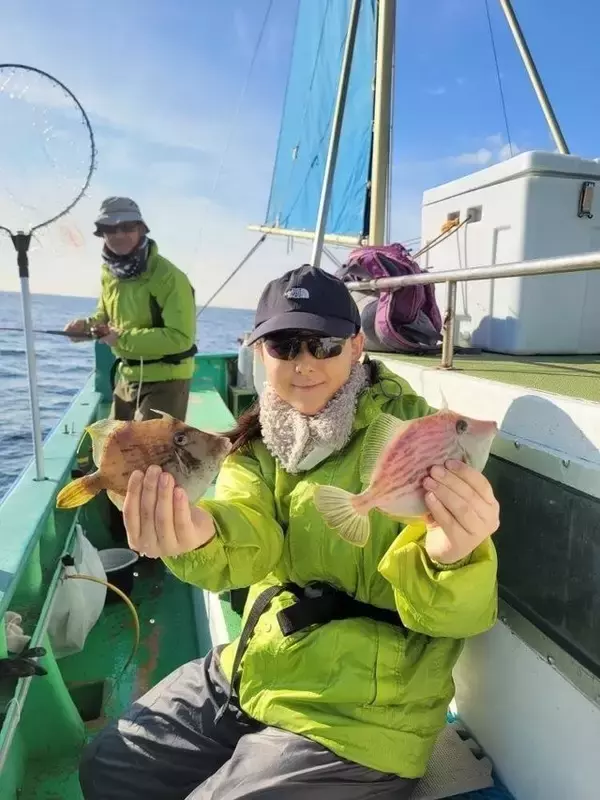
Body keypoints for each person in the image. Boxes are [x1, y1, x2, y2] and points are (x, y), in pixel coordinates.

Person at [79, 265, 500, 800]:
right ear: (260, 353)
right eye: (283, 346)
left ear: (356, 346)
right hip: (259, 665)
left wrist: (451, 557)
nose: (304, 363)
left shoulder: (417, 434)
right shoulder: (255, 444)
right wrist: (198, 533)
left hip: (365, 712)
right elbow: (247, 529)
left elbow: (458, 615)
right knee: (110, 764)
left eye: (324, 344)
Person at [64, 196, 197, 423]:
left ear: (141, 229)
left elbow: (181, 338)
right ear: (102, 234)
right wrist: (86, 328)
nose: (118, 235)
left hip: (167, 380)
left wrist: (121, 339)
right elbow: (104, 316)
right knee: (114, 442)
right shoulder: (109, 273)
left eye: (126, 227)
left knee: (151, 446)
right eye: (109, 229)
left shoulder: (169, 277)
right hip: (126, 376)